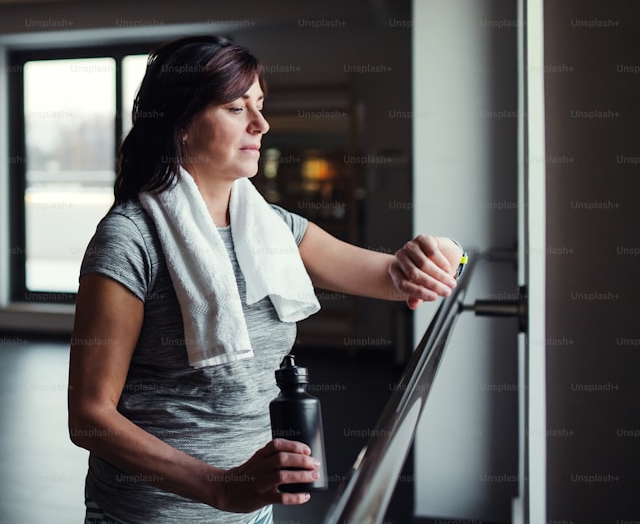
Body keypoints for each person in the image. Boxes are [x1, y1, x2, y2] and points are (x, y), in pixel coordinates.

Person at [67, 35, 464, 524]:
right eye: (236, 108)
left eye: (260, 105)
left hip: (250, 511)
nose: (261, 124)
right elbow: (90, 417)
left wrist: (443, 252)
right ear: (180, 124)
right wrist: (218, 487)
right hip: (153, 515)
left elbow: (394, 277)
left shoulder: (274, 228)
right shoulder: (129, 240)